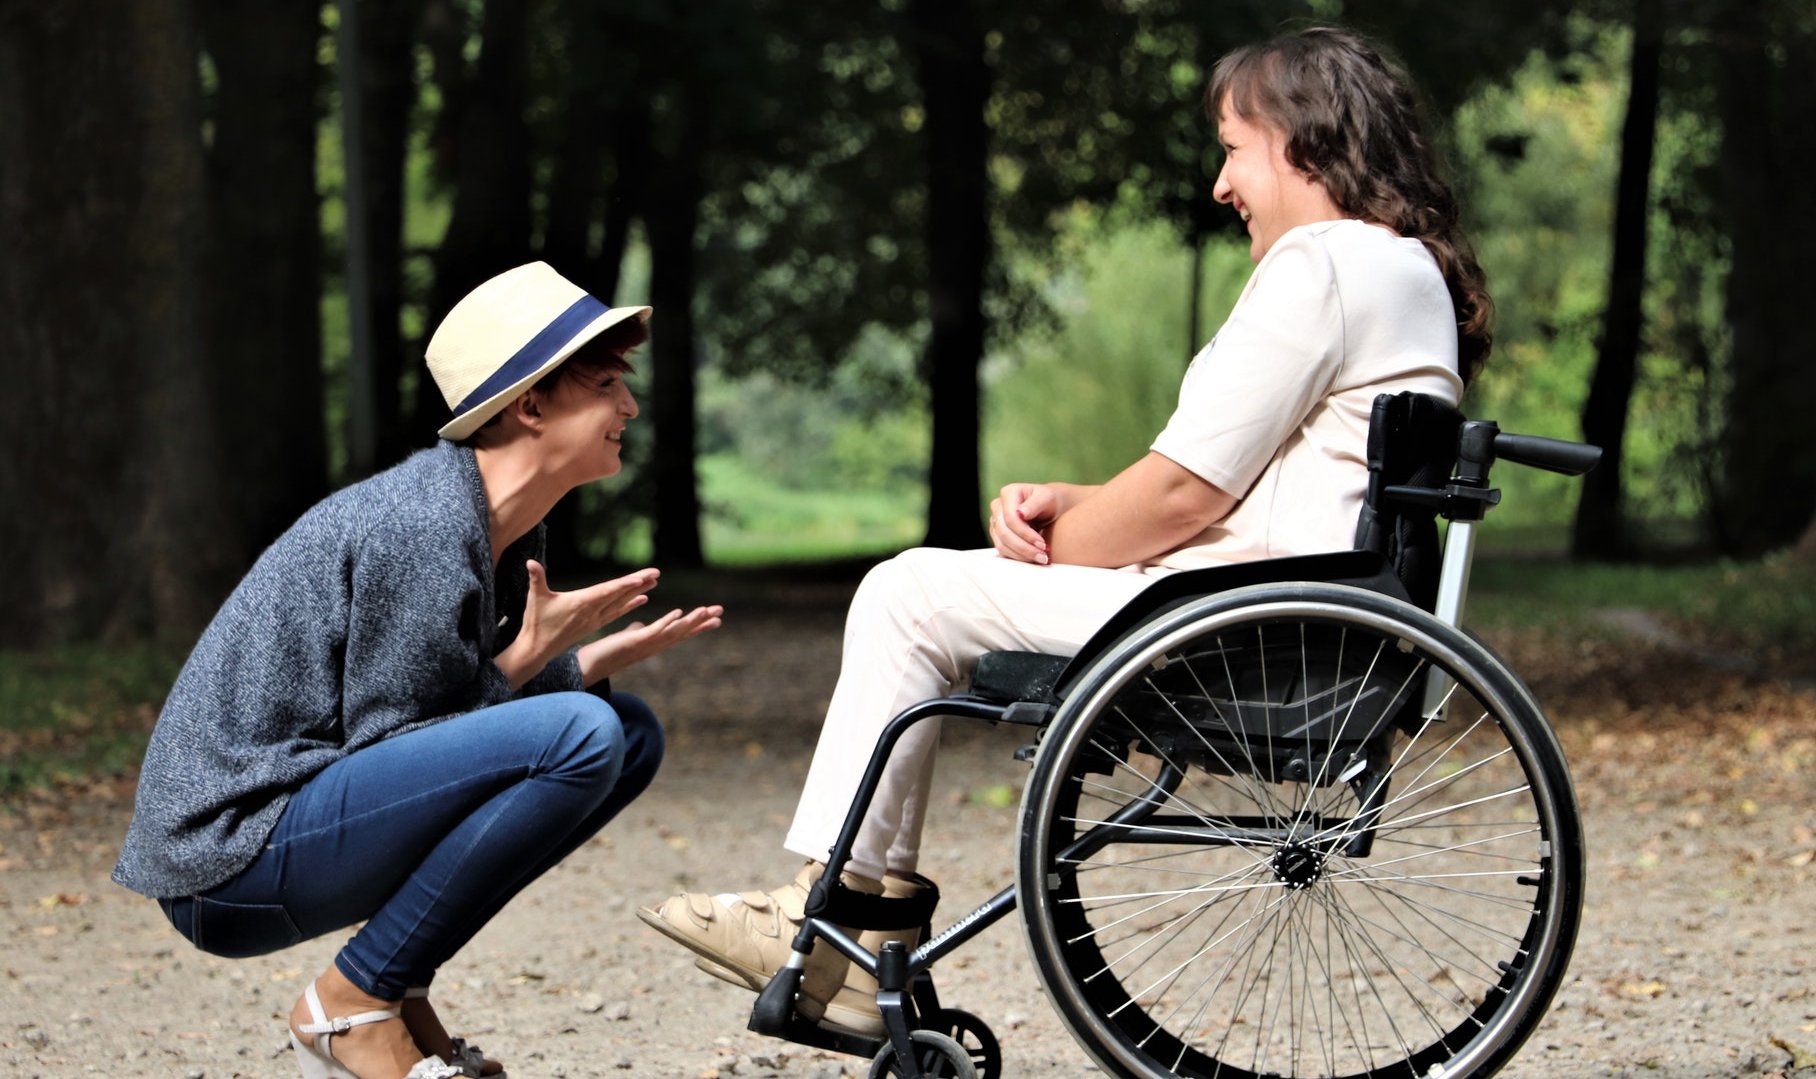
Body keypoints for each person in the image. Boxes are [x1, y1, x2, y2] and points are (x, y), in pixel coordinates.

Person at [639, 24, 1491, 1038]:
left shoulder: (1326, 263)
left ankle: (844, 930)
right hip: (1298, 609)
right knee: (929, 586)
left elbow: (1183, 500)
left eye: (1232, 148)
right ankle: (849, 921)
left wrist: (1058, 539)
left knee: (908, 592)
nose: (1222, 185)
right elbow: (1242, 487)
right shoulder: (1402, 271)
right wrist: (1074, 502)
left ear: (1303, 140)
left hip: (1240, 624)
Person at [113, 262, 724, 1079]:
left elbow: (435, 728)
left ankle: (391, 988)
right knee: (583, 731)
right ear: (530, 404)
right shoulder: (422, 524)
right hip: (228, 857)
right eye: (608, 382)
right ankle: (352, 1003)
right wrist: (535, 662)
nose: (629, 407)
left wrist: (572, 663)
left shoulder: (496, 525)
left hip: (299, 820)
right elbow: (398, 743)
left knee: (628, 731)